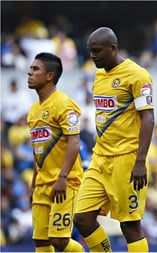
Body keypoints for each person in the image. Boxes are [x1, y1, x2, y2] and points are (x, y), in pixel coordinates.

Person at [73, 27, 154, 252]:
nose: (93, 56)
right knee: (82, 218)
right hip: (100, 159)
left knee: (129, 225)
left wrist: (140, 161)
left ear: (113, 48)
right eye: (90, 51)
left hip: (127, 160)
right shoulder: (98, 75)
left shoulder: (137, 75)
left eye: (97, 51)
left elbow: (148, 118)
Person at [27, 52, 84, 252]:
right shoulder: (33, 111)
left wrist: (63, 177)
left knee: (59, 241)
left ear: (49, 76)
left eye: (35, 69)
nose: (29, 72)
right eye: (30, 68)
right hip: (42, 185)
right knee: (41, 242)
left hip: (64, 183)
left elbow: (74, 142)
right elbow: (38, 152)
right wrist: (34, 183)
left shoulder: (64, 104)